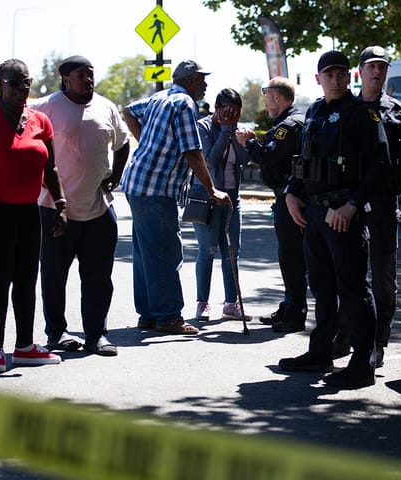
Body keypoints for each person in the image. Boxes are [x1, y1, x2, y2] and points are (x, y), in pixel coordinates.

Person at [278, 51, 390, 389]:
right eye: (329, 74)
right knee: (322, 288)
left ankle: (362, 363)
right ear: (318, 79)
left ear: (349, 77)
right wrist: (291, 192)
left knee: (353, 288)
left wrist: (353, 205)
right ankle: (320, 353)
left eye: (341, 74)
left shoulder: (362, 115)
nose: (336, 80)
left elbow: (380, 167)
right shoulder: (313, 111)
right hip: (313, 214)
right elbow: (303, 159)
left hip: (344, 215)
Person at [0, 58, 66, 373]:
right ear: (0, 84)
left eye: (26, 82)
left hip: (26, 211)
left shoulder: (39, 121)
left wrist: (60, 203)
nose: (22, 88)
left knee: (25, 280)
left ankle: (24, 346)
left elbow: (50, 167)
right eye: (15, 82)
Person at [120, 59, 230, 335]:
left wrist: (148, 142)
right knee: (165, 252)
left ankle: (149, 313)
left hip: (139, 183)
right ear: (190, 80)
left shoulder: (161, 97)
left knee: (146, 251)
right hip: (155, 188)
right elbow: (193, 151)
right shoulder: (184, 104)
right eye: (202, 79)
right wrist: (212, 189)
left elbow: (129, 111)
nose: (205, 84)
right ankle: (168, 316)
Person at [30, 55, 130, 357]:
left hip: (99, 207)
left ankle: (96, 334)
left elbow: (123, 143)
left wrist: (116, 174)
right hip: (55, 209)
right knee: (54, 275)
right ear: (66, 79)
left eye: (91, 74)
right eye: (82, 75)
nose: (89, 80)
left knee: (99, 277)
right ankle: (57, 333)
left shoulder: (105, 107)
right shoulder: (44, 108)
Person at [333, 46, 401, 366]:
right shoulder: (345, 109)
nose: (377, 72)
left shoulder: (398, 112)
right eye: (371, 66)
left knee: (383, 278)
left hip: (383, 204)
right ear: (360, 71)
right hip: (346, 204)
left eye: (382, 67)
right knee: (348, 274)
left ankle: (377, 342)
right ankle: (345, 336)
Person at [236, 76, 307, 333]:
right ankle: (290, 305)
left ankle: (295, 312)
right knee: (288, 256)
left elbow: (267, 156)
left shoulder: (289, 124)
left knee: (293, 256)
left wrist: (248, 142)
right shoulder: (288, 121)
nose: (264, 101)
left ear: (277, 97)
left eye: (266, 95)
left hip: (294, 199)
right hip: (286, 197)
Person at [192, 88, 251, 321]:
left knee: (232, 252)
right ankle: (202, 303)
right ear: (216, 108)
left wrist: (241, 138)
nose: (232, 116)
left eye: (236, 112)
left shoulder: (237, 128)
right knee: (207, 251)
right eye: (227, 111)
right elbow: (209, 161)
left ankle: (230, 302)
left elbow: (246, 160)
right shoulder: (203, 127)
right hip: (207, 196)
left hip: (232, 196)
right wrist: (226, 132)